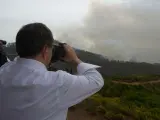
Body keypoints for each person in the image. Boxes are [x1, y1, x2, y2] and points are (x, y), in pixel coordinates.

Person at [0, 23, 104, 120]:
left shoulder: (3, 71)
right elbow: (96, 80)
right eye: (51, 49)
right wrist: (75, 60)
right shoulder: (57, 82)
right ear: (45, 50)